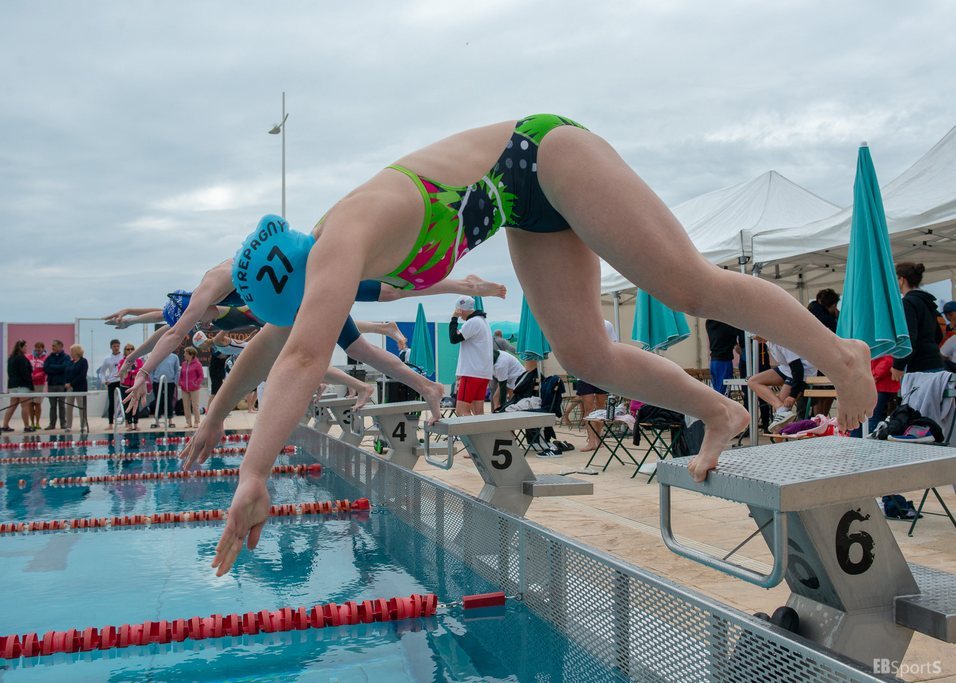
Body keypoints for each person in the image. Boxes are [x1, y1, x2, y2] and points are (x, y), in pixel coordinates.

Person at [203, 115, 873, 576]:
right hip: (526, 208)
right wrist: (213, 417)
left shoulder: (340, 238)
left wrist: (253, 472)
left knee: (688, 286)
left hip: (545, 153)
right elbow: (274, 346)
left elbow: (300, 356)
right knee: (585, 356)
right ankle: (719, 411)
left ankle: (842, 355)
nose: (306, 317)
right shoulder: (320, 260)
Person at [747, 341, 817, 433]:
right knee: (752, 381)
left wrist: (793, 395)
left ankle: (781, 422)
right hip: (786, 369)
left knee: (782, 412)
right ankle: (780, 408)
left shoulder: (781, 341)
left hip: (803, 372)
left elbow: (798, 368)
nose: (752, 337)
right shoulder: (769, 341)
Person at [892, 262, 944, 382]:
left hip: (920, 367)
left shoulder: (907, 303)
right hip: (935, 362)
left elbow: (908, 337)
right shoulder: (927, 301)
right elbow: (938, 335)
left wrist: (898, 365)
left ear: (902, 280)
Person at [579, 319, 620, 451]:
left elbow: (614, 346)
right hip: (584, 371)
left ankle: (598, 438)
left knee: (601, 407)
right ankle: (591, 441)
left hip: (602, 371)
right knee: (588, 407)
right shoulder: (579, 325)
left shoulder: (606, 325)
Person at [449, 296, 493, 417]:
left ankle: (469, 431)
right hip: (483, 373)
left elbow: (453, 338)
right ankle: (482, 430)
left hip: (471, 373)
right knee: (478, 413)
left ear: (460, 310)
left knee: (461, 411)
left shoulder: (473, 322)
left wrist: (454, 318)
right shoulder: (483, 321)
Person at [705, 319, 744, 397]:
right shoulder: (726, 323)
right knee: (723, 393)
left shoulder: (709, 322)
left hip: (714, 361)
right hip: (724, 361)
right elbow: (741, 330)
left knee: (717, 391)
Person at [2, 340, 33, 432]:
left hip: (13, 385)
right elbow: (25, 373)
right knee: (25, 405)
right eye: (25, 346)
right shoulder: (21, 358)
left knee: (12, 405)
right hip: (22, 385)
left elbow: (9, 372)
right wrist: (30, 385)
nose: (26, 348)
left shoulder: (11, 358)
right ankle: (27, 426)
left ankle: (5, 426)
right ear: (21, 347)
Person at [42, 340, 71, 430]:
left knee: (62, 405)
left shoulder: (66, 357)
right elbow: (45, 368)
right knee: (52, 406)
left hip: (61, 384)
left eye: (54, 346)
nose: (52, 347)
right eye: (52, 346)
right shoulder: (49, 357)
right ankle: (52, 424)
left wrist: (52, 366)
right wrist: (58, 368)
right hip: (51, 384)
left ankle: (63, 424)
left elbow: (65, 367)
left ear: (60, 346)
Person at [119, 343, 146, 430]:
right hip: (125, 386)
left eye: (132, 349)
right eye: (128, 349)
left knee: (136, 404)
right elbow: (122, 373)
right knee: (127, 405)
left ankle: (135, 423)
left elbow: (140, 371)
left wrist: (131, 372)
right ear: (125, 351)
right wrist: (132, 373)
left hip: (135, 386)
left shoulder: (138, 361)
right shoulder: (122, 362)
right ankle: (129, 423)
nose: (130, 351)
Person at [150, 352, 180, 427]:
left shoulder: (174, 357)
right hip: (157, 382)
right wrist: (152, 381)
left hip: (170, 382)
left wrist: (175, 382)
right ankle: (157, 421)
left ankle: (170, 420)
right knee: (158, 400)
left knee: (169, 401)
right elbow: (151, 369)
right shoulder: (155, 355)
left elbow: (177, 370)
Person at [97, 339, 124, 425]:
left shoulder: (123, 356)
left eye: (117, 346)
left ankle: (127, 422)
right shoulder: (107, 358)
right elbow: (102, 372)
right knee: (111, 402)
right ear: (111, 347)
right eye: (114, 346)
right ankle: (110, 423)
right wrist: (104, 381)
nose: (116, 348)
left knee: (124, 401)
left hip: (122, 381)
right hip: (112, 382)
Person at [64, 345, 88, 432]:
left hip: (80, 388)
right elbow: (67, 373)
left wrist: (71, 383)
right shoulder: (70, 362)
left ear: (76, 352)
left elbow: (82, 375)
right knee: (69, 407)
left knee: (81, 407)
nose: (70, 353)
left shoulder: (83, 361)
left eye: (72, 351)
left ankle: (83, 425)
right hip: (70, 388)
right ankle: (68, 425)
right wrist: (66, 383)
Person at [179, 347, 204, 429]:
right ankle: (188, 422)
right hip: (184, 388)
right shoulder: (183, 364)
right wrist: (181, 383)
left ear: (191, 354)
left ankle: (196, 422)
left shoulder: (197, 364)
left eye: (185, 353)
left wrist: (195, 384)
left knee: (195, 406)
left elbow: (201, 376)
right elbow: (181, 375)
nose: (184, 355)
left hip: (194, 388)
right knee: (186, 406)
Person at [28, 341, 48, 431]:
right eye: (36, 347)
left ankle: (37, 423)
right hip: (30, 384)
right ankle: (32, 423)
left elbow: (46, 370)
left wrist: (38, 376)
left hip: (40, 383)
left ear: (43, 348)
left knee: (37, 403)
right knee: (30, 403)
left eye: (40, 347)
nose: (37, 349)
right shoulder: (29, 357)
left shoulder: (46, 358)